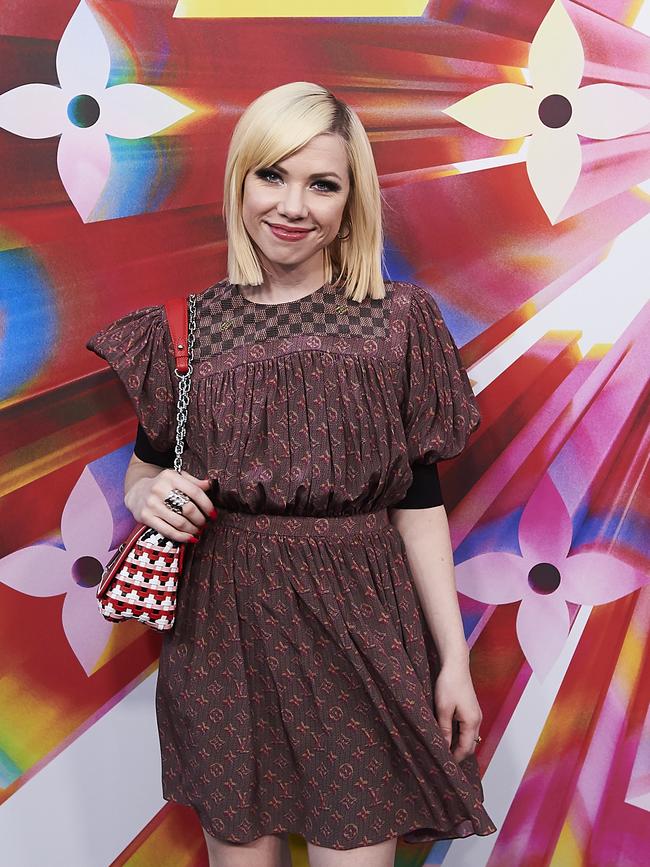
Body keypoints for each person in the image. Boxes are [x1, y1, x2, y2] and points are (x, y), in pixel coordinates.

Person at [86, 81, 497, 867]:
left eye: (323, 183)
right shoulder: (185, 329)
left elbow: (417, 502)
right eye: (273, 174)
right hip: (223, 634)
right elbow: (144, 470)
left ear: (352, 200)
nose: (293, 205)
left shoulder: (398, 320)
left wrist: (452, 663)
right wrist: (147, 493)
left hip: (361, 626)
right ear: (241, 179)